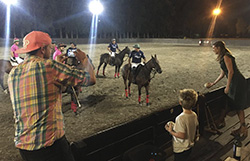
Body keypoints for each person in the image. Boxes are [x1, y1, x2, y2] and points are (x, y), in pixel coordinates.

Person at [8, 31, 96, 161]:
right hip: (50, 146)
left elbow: (46, 87)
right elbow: (90, 79)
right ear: (43, 49)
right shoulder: (50, 67)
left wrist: (57, 62)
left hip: (24, 146)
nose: (51, 49)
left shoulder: (13, 73)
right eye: (50, 47)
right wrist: (84, 59)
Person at [205, 41, 248, 138]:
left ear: (219, 48)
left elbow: (231, 71)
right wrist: (213, 83)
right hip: (235, 82)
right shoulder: (223, 57)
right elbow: (223, 73)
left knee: (238, 105)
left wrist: (228, 86)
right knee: (236, 105)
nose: (213, 50)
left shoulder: (226, 56)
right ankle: (241, 127)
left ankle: (242, 127)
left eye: (214, 48)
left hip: (237, 82)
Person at [165, 89, 199, 161]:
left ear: (180, 102)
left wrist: (170, 131)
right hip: (189, 146)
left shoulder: (180, 118)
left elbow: (182, 135)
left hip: (181, 148)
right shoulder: (194, 115)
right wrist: (175, 126)